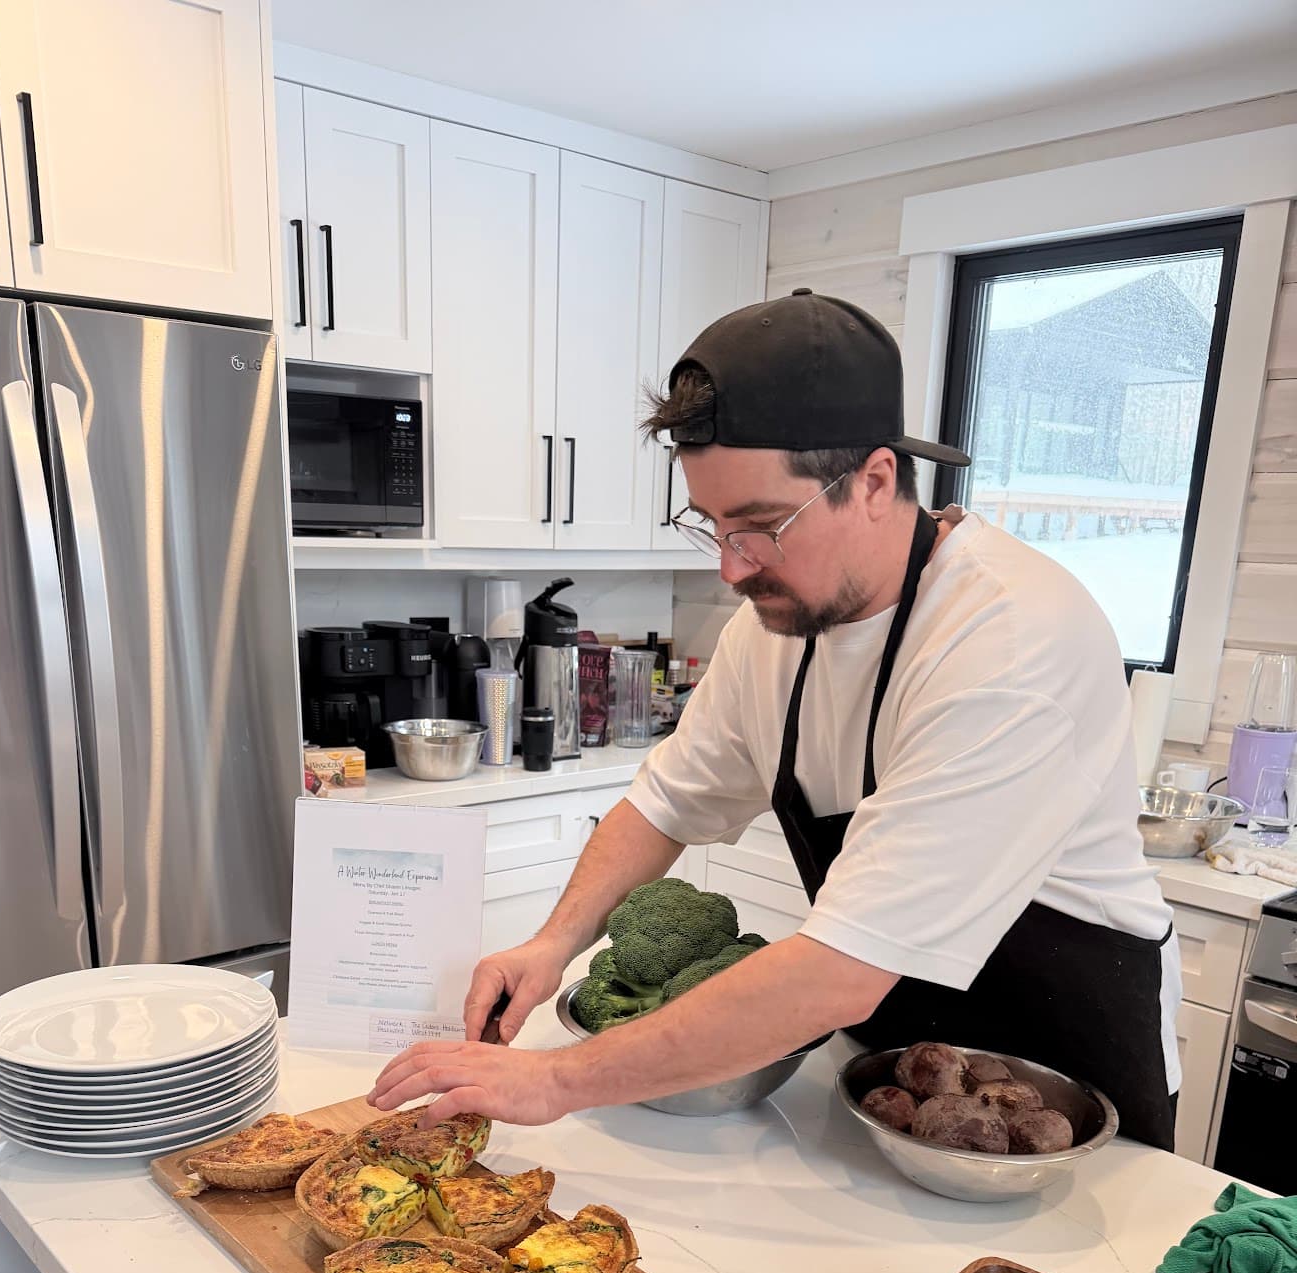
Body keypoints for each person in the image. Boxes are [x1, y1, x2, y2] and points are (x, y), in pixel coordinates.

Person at [368, 290, 1180, 1146]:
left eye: (758, 526)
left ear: (872, 480)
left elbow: (839, 972)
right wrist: (553, 943)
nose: (729, 568)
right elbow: (664, 805)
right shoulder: (774, 628)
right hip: (891, 1087)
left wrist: (553, 1080)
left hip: (1065, 1114)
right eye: (710, 524)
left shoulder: (1011, 642)